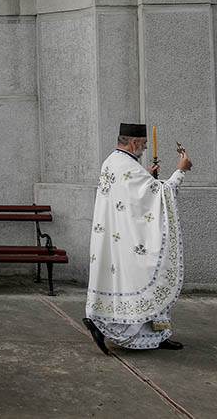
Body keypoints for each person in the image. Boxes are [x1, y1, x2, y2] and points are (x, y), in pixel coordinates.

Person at [83, 123, 193, 355]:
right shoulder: (127, 165)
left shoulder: (112, 161)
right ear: (133, 143)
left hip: (119, 238)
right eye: (143, 145)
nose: (144, 149)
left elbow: (133, 196)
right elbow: (160, 195)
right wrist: (180, 171)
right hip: (129, 240)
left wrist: (148, 178)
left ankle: (157, 334)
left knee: (129, 283)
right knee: (147, 275)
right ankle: (104, 328)